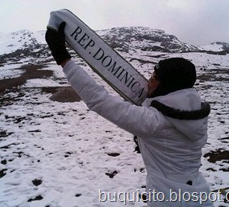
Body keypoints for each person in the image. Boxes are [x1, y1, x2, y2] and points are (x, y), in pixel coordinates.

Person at [45, 22, 214, 207]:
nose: (148, 83)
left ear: (169, 85)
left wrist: (64, 60)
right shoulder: (194, 115)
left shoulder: (155, 122)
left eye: (154, 79)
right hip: (198, 194)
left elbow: (100, 100)